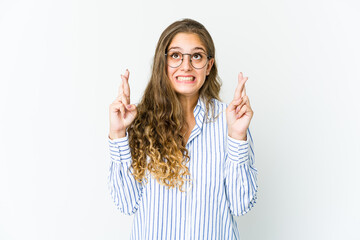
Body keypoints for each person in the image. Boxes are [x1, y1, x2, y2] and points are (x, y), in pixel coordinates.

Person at [108, 18, 258, 240]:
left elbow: (241, 205)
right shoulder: (139, 121)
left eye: (196, 56)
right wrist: (118, 134)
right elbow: (126, 203)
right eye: (176, 55)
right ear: (163, 63)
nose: (186, 66)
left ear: (208, 66)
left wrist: (237, 136)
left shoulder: (230, 121)